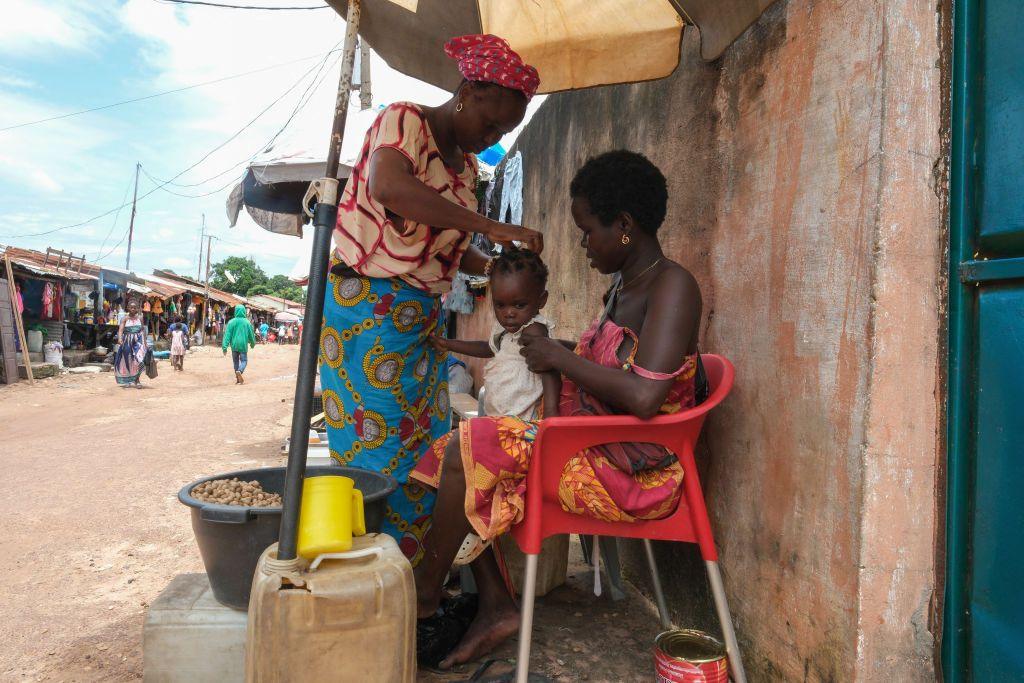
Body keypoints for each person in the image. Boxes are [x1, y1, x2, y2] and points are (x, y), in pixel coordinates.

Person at [412, 151, 704, 668]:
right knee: (458, 451)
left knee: (467, 451)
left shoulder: (672, 286)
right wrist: (548, 350)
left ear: (625, 226)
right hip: (589, 440)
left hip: (631, 470)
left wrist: (560, 357)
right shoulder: (623, 287)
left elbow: (643, 396)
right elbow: (605, 362)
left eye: (587, 230)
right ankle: (490, 604)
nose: (583, 244)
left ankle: (425, 597)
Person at [319, 33, 543, 570]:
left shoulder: (465, 170)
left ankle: (414, 575)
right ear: (467, 90)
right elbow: (391, 189)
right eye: (491, 123)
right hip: (366, 312)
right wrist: (490, 225)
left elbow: (448, 248)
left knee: (427, 446)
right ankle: (374, 571)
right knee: (379, 447)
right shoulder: (405, 122)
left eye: (504, 132)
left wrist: (496, 267)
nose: (492, 135)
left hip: (420, 322)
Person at [416, 247, 559, 564]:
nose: (508, 313)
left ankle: (476, 526)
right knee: (447, 453)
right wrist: (449, 344)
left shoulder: (534, 332)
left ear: (541, 301)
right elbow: (487, 348)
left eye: (519, 305)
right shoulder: (507, 331)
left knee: (456, 450)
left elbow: (552, 377)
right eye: (501, 304)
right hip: (501, 427)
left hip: (524, 433)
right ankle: (471, 524)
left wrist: (554, 428)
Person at [114, 299, 147, 388]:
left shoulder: (140, 318)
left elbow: (143, 330)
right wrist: (120, 338)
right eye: (131, 307)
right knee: (127, 360)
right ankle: (128, 380)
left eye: (134, 308)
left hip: (138, 342)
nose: (133, 309)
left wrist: (145, 342)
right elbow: (120, 329)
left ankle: (137, 380)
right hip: (127, 341)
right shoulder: (124, 318)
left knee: (138, 360)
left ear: (137, 309)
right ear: (128, 308)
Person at [222, 304, 256, 384]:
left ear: (235, 311)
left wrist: (224, 347)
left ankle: (238, 378)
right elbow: (251, 334)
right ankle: (240, 371)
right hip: (243, 345)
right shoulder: (247, 322)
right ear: (244, 311)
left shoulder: (231, 322)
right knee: (244, 360)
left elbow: (227, 335)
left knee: (236, 362)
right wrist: (252, 343)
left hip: (234, 345)